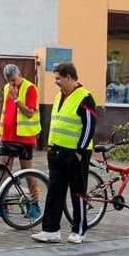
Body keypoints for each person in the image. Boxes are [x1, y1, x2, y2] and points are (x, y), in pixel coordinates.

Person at [32, 62, 96, 245]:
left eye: (58, 78)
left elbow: (90, 126)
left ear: (69, 77)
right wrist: (51, 148)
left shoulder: (85, 97)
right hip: (57, 152)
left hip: (75, 154)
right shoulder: (61, 96)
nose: (56, 82)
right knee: (54, 192)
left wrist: (80, 151)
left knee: (78, 192)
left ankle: (79, 231)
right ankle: (51, 230)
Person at [0, 64, 41, 219]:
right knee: (2, 169)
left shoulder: (30, 88)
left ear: (20, 74)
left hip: (24, 137)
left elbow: (30, 113)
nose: (12, 84)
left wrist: (16, 99)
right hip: (7, 136)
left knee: (27, 171)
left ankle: (35, 205)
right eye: (9, 81)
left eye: (14, 80)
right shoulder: (6, 88)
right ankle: (1, 205)